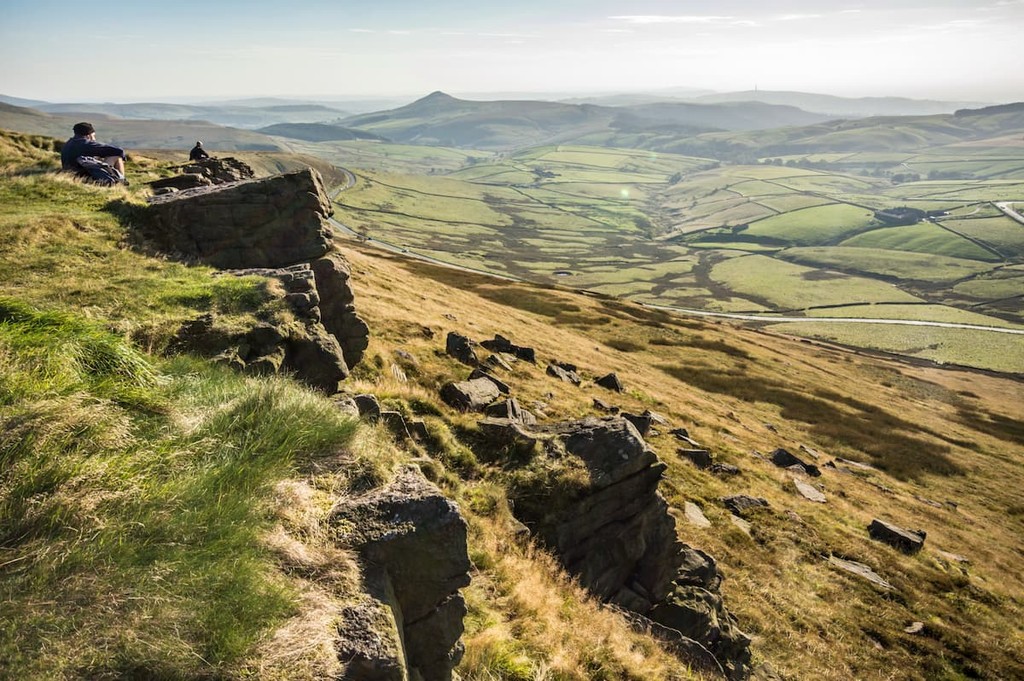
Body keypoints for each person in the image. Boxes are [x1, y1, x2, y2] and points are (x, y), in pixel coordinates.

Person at [61, 122, 128, 185]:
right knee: (116, 156)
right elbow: (119, 151)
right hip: (83, 176)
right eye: (93, 136)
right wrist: (123, 158)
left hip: (70, 174)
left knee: (98, 159)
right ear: (88, 136)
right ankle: (120, 183)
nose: (94, 139)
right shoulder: (86, 144)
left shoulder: (69, 143)